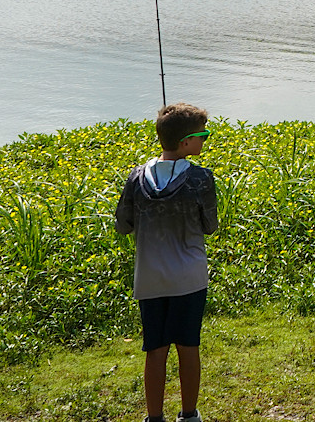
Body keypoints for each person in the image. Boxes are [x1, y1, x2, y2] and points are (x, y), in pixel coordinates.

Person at [114, 103, 219, 422]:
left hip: (149, 279)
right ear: (186, 142)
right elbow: (210, 226)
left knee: (155, 348)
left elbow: (123, 224)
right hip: (189, 278)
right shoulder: (201, 178)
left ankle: (155, 417)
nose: (205, 139)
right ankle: (189, 415)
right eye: (203, 134)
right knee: (188, 345)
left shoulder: (136, 177)